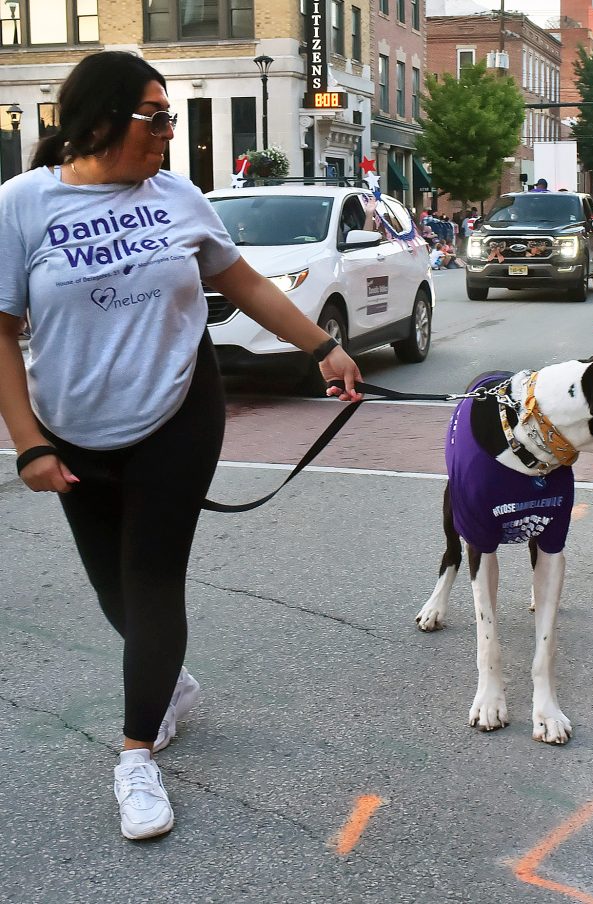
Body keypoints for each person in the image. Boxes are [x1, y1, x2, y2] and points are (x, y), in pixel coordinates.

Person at [0, 51, 363, 841]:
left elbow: (247, 285)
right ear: (97, 120)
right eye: (156, 117)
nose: (170, 131)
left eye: (171, 116)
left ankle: (135, 756)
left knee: (153, 580)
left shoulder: (178, 197)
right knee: (113, 593)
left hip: (177, 410)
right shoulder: (21, 205)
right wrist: (27, 443)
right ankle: (167, 682)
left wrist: (322, 347)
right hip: (72, 424)